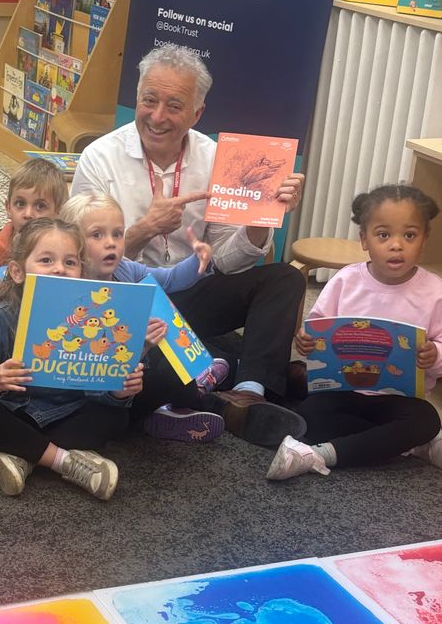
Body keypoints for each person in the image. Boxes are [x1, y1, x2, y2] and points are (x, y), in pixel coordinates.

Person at [71, 43, 307, 447]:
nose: (157, 117)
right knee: (160, 363)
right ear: (137, 98)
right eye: (149, 101)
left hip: (192, 288)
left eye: (174, 106)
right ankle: (231, 380)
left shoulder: (218, 159)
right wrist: (144, 229)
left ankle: (247, 390)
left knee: (284, 279)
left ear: (197, 113)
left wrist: (258, 219)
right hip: (129, 298)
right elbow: (79, 262)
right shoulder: (99, 158)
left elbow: (228, 265)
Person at [0, 218, 143, 500]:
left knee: (117, 416)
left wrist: (118, 391)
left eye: (71, 262)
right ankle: (65, 461)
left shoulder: (90, 321)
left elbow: (97, 386)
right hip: (15, 410)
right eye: (46, 260)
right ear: (18, 272)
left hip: (67, 411)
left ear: (81, 271)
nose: (60, 268)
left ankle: (23, 454)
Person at [268, 184, 442, 481]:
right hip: (344, 391)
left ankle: (321, 455)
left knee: (426, 420)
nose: (397, 245)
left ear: (424, 240)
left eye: (409, 235)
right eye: (384, 235)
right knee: (310, 414)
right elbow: (319, 325)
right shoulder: (346, 280)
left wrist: (434, 353)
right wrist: (307, 342)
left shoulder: (435, 290)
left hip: (398, 399)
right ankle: (407, 446)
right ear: (364, 239)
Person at [61, 191, 229, 443]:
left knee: (169, 359)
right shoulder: (67, 289)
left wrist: (198, 260)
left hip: (129, 381)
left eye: (117, 234)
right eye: (97, 235)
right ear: (72, 242)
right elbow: (91, 368)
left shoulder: (124, 268)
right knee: (159, 379)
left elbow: (169, 279)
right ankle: (188, 397)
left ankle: (162, 412)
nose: (111, 243)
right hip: (89, 391)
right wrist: (142, 346)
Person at [0, 158, 68, 351]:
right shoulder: (2, 242)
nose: (28, 214)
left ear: (58, 210)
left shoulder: (65, 243)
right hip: (3, 327)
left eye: (40, 206)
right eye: (20, 204)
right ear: (8, 208)